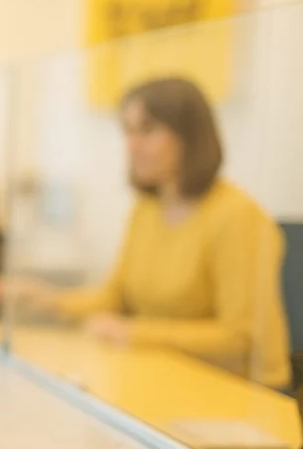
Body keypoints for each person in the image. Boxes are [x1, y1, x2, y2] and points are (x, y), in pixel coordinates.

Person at [47, 77, 290, 388]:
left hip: (239, 392)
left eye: (147, 131)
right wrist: (47, 302)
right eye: (128, 132)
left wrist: (131, 333)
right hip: (166, 376)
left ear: (189, 137)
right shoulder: (146, 209)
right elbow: (115, 296)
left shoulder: (237, 215)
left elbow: (240, 336)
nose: (132, 146)